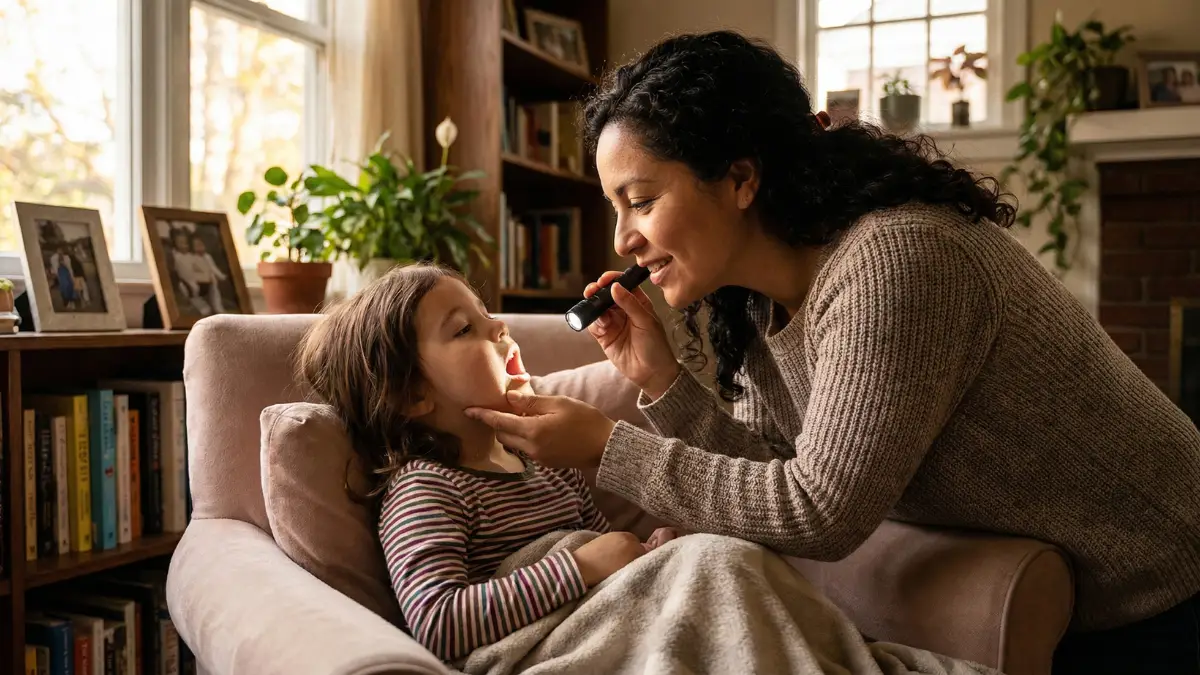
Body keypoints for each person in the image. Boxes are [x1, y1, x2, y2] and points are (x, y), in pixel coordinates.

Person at [463, 30, 1200, 674]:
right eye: (615, 207)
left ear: (742, 178)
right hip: (1063, 604)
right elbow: (776, 480)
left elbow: (820, 512)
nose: (622, 238)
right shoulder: (749, 301)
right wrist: (660, 379)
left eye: (642, 200)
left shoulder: (897, 260)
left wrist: (608, 448)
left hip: (1162, 596)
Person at [294, 263, 679, 664]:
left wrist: (648, 553)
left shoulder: (551, 464)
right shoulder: (425, 488)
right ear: (412, 395)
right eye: (464, 328)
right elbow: (437, 624)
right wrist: (578, 567)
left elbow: (611, 552)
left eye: (486, 313)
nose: (498, 327)